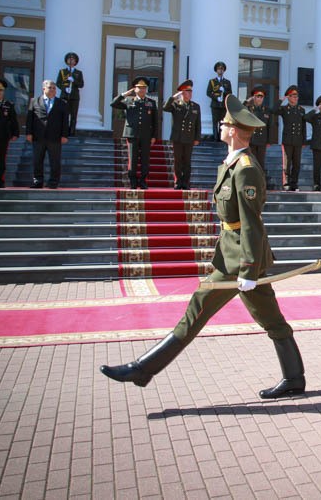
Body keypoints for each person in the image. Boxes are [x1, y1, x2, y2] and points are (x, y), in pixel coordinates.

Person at [100, 94, 306, 400]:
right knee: (272, 320)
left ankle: (143, 368)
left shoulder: (246, 168)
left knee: (196, 311)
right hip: (234, 254)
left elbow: (251, 222)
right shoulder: (233, 163)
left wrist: (248, 269)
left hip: (239, 260)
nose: (221, 125)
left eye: (224, 123)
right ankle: (294, 379)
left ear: (234, 131)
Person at [111, 77, 161, 190]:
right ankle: (133, 182)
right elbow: (113, 103)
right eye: (139, 88)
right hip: (132, 134)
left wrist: (154, 136)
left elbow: (155, 121)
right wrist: (125, 94)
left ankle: (143, 181)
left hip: (146, 135)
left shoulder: (151, 103)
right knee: (133, 160)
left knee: (145, 159)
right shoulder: (129, 100)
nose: (142, 90)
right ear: (135, 89)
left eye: (144, 88)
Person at [26, 80, 69, 189]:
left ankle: (53, 182)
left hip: (55, 137)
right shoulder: (34, 101)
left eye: (54, 88)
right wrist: (29, 133)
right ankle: (37, 181)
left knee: (55, 161)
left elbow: (65, 121)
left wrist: (64, 135)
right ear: (44, 89)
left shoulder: (62, 103)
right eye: (50, 87)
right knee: (37, 160)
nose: (53, 90)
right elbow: (29, 119)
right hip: (38, 136)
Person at [163, 79, 201, 190]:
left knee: (187, 161)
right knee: (178, 161)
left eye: (190, 91)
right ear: (182, 93)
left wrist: (197, 137)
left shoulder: (195, 106)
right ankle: (178, 181)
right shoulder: (176, 104)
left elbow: (197, 123)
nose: (189, 94)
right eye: (187, 91)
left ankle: (186, 182)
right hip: (178, 137)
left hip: (189, 137)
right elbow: (165, 108)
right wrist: (174, 97)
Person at [273, 85, 306, 191]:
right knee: (287, 163)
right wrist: (281, 100)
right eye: (293, 96)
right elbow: (274, 110)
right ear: (289, 97)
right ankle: (286, 182)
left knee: (297, 163)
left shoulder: (301, 110)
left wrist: (304, 140)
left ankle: (294, 183)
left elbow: (303, 126)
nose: (295, 98)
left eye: (296, 96)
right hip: (287, 140)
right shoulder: (284, 109)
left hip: (298, 140)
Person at [244, 86, 273, 183]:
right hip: (251, 140)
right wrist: (248, 100)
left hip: (262, 140)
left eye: (261, 97)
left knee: (260, 163)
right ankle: (251, 181)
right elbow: (239, 109)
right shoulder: (249, 109)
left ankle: (260, 182)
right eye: (257, 96)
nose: (259, 99)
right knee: (251, 161)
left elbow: (269, 126)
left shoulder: (267, 110)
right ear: (254, 97)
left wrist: (269, 140)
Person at [55, 52, 84, 136]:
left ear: (75, 62)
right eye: (69, 59)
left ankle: (72, 132)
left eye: (73, 59)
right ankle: (64, 132)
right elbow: (58, 83)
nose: (71, 61)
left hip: (74, 96)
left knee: (74, 115)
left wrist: (74, 81)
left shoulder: (78, 73)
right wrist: (65, 89)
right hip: (65, 95)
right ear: (66, 61)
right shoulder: (62, 72)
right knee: (64, 114)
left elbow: (81, 84)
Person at [206, 61, 232, 140]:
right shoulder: (212, 81)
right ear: (216, 70)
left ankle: (221, 138)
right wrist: (216, 98)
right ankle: (215, 138)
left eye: (222, 69)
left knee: (222, 123)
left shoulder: (227, 82)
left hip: (223, 106)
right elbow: (208, 92)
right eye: (219, 69)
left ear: (224, 70)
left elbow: (230, 93)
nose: (220, 70)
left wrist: (224, 92)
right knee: (215, 122)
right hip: (215, 105)